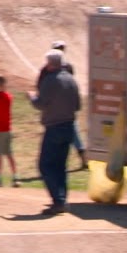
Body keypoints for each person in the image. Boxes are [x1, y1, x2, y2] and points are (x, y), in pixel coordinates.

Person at [27, 50, 81, 215]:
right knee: (60, 166)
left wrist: (31, 97)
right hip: (69, 126)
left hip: (54, 127)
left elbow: (41, 104)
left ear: (51, 64)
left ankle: (58, 200)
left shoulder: (50, 80)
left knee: (45, 165)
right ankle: (62, 199)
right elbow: (78, 106)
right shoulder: (72, 80)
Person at [43, 39, 87, 169]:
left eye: (61, 49)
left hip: (61, 104)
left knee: (70, 130)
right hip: (61, 104)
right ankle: (80, 158)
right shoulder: (63, 67)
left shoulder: (62, 67)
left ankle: (80, 157)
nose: (60, 50)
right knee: (71, 130)